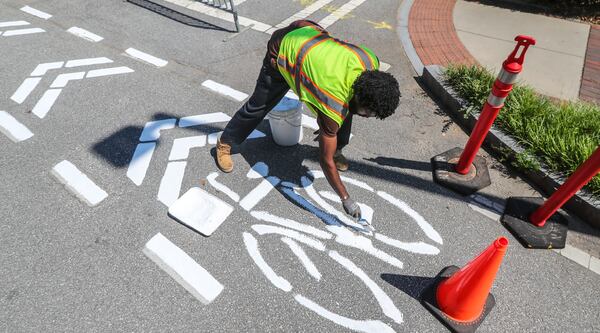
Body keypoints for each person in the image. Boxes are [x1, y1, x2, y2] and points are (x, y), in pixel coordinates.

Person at [215, 20, 400, 219]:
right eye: (369, 113)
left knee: (345, 114)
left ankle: (337, 147)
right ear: (361, 97)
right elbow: (325, 161)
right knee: (259, 106)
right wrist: (346, 199)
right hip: (282, 52)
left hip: (309, 33)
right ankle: (225, 143)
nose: (368, 117)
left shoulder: (370, 61)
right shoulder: (334, 103)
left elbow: (347, 107)